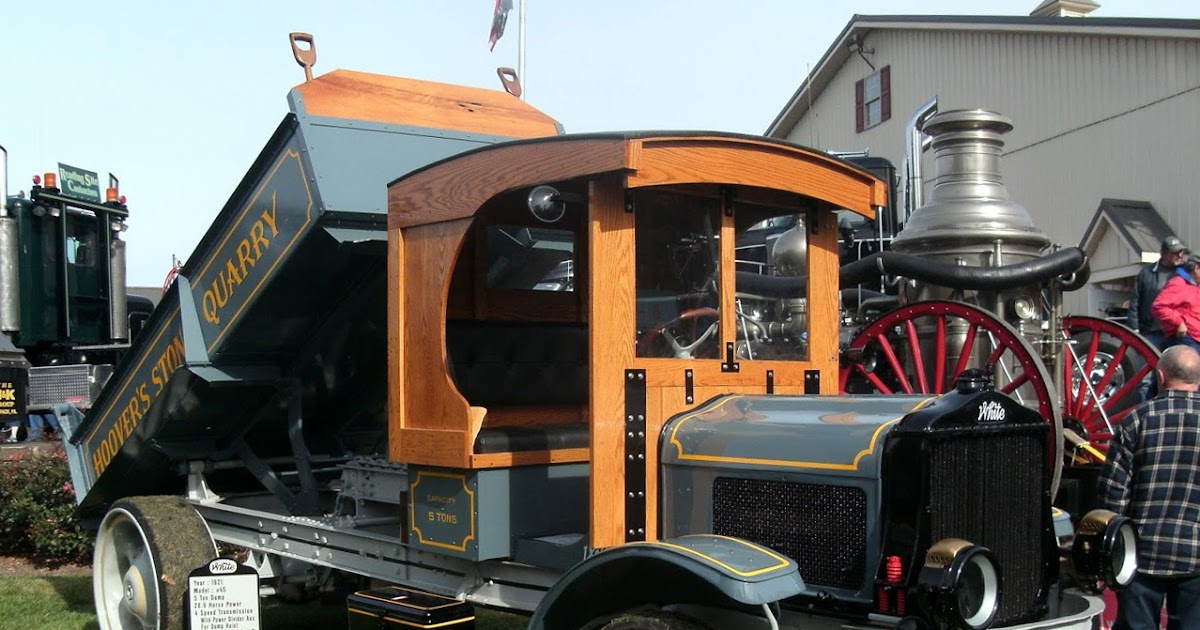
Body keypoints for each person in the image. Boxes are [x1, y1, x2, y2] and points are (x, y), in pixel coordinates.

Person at [1098, 345, 1200, 630]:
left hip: (1141, 552)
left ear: (1161, 376)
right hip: (1195, 553)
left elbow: (1113, 493)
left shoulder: (1137, 420)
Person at [1131, 236, 1190, 349]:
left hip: (1179, 331)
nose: (1180, 255)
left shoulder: (1187, 272)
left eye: (1181, 251)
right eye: (1175, 252)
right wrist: (1134, 329)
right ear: (1164, 254)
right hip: (1152, 331)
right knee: (1147, 359)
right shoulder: (1147, 273)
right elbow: (1135, 302)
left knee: (1180, 360)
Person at [1151, 254, 1200, 354]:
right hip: (1186, 339)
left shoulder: (1195, 286)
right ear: (1196, 268)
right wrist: (1179, 323)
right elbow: (1159, 306)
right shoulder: (1178, 283)